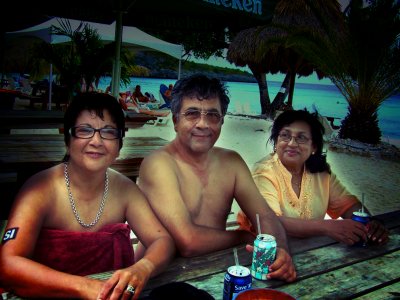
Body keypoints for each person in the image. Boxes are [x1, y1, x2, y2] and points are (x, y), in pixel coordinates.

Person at [0, 92, 175, 299]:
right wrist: (84, 287)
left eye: (108, 132)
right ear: (67, 138)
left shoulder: (125, 189)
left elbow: (162, 240)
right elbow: (8, 264)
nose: (96, 141)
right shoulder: (40, 189)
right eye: (84, 130)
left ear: (119, 144)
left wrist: (143, 267)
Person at [137, 74, 296, 282]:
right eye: (192, 114)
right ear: (175, 120)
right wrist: (244, 236)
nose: (203, 124)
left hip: (213, 269)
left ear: (221, 121)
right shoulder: (159, 164)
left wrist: (280, 251)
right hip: (156, 278)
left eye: (212, 115)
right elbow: (188, 242)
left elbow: (264, 216)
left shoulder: (231, 162)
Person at [237, 109, 389, 246]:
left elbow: (348, 205)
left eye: (301, 138)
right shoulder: (264, 172)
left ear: (314, 147)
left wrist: (372, 224)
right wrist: (328, 227)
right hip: (261, 251)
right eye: (285, 135)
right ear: (276, 142)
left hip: (309, 250)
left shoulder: (321, 173)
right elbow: (271, 223)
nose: (291, 143)